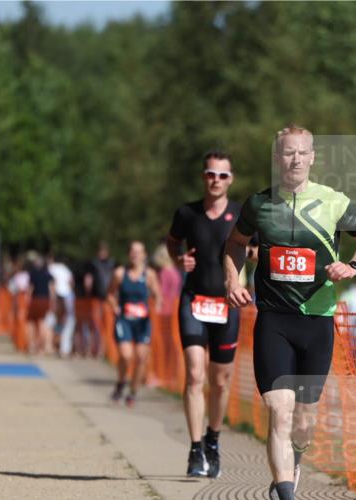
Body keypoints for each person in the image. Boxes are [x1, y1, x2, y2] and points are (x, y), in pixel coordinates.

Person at [224, 124, 356, 500]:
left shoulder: (334, 203)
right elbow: (235, 244)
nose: (293, 160)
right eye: (286, 154)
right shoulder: (258, 205)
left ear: (313, 158)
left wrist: (352, 266)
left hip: (317, 322)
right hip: (274, 320)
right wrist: (233, 280)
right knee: (280, 410)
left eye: (301, 153)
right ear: (277, 159)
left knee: (304, 422)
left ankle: (290, 470)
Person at [166, 150, 244, 479]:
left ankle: (213, 439)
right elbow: (172, 243)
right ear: (203, 177)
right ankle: (195, 448)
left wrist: (253, 254)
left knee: (221, 382)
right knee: (196, 375)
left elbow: (250, 247)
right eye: (211, 174)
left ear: (231, 180)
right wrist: (178, 259)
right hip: (193, 302)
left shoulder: (240, 215)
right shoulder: (187, 213)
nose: (216, 180)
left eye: (222, 175)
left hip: (226, 305)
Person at [108, 241, 161, 407]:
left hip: (142, 322)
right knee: (125, 355)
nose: (135, 255)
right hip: (124, 320)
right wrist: (115, 306)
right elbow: (110, 294)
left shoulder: (149, 274)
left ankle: (132, 391)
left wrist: (157, 304)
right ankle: (121, 381)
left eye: (138, 252)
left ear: (144, 255)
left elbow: (157, 294)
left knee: (141, 357)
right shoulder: (119, 273)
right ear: (128, 254)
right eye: (132, 251)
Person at [87, 242, 115, 359]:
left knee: (105, 325)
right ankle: (94, 349)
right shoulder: (94, 264)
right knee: (95, 325)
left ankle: (103, 350)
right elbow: (88, 281)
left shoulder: (112, 264)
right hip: (96, 298)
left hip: (106, 299)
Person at [25, 253, 55, 355]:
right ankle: (41, 347)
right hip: (45, 300)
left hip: (35, 300)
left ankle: (33, 345)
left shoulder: (33, 274)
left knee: (32, 323)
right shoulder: (48, 275)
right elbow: (52, 290)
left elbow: (30, 288)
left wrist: (27, 299)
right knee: (42, 323)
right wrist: (52, 302)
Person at [47, 251, 76, 358]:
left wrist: (53, 297)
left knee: (53, 324)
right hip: (68, 297)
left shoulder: (51, 268)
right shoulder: (66, 269)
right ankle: (64, 348)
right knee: (66, 323)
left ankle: (52, 346)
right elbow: (71, 283)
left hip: (57, 297)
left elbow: (51, 284)